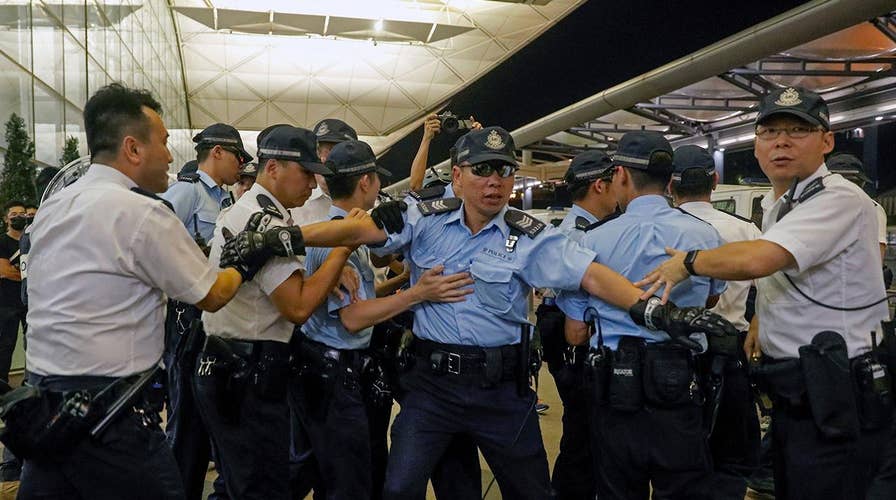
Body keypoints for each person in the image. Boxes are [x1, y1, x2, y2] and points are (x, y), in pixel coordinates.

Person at [372, 126, 736, 499]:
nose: (493, 181)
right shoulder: (423, 219)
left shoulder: (538, 237)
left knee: (538, 489)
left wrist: (655, 312)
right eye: (482, 169)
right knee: (402, 486)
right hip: (433, 388)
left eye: (504, 170)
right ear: (457, 176)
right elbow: (366, 238)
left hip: (506, 391)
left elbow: (591, 285)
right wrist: (327, 232)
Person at [16, 83, 283, 499]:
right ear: (132, 148)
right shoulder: (143, 214)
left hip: (45, 414)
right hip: (112, 422)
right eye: (162, 142)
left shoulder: (55, 206)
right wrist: (246, 260)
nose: (171, 156)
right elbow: (212, 294)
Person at [638, 86, 893, 500]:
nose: (782, 142)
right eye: (769, 132)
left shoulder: (840, 199)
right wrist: (760, 319)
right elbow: (792, 275)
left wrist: (687, 263)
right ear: (757, 145)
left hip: (838, 385)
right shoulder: (782, 203)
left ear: (827, 141)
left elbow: (762, 259)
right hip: (800, 384)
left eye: (798, 130)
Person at [193, 125, 394, 499]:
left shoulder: (268, 214)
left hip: (243, 368)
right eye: (305, 172)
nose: (313, 182)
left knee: (259, 481)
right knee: (260, 487)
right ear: (272, 169)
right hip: (245, 371)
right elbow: (298, 306)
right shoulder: (261, 220)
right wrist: (341, 252)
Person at [293, 139, 473, 499]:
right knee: (348, 482)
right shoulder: (333, 241)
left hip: (338, 373)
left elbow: (368, 287)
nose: (378, 188)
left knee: (349, 472)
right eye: (377, 180)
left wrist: (404, 278)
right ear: (365, 182)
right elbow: (353, 317)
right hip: (333, 374)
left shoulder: (345, 230)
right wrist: (417, 294)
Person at [556, 131, 727, 500]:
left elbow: (575, 333)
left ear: (619, 174)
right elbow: (712, 302)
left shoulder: (590, 242)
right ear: (670, 179)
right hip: (681, 387)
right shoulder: (705, 235)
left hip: (616, 388)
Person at [160, 122, 252, 500]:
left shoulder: (226, 201)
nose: (241, 165)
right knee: (187, 428)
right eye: (237, 157)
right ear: (217, 152)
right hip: (188, 321)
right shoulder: (188, 192)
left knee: (214, 421)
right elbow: (157, 241)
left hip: (215, 321)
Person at [668, 144, 762, 499]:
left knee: (678, 455)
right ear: (716, 181)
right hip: (729, 351)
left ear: (669, 186)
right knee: (730, 453)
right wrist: (756, 327)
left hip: (673, 355)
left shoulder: (663, 230)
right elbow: (767, 289)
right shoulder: (746, 230)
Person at [535, 150, 617, 500]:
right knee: (583, 434)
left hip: (564, 336)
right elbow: (576, 316)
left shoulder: (572, 228)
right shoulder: (581, 234)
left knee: (582, 431)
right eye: (614, 183)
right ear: (599, 186)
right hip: (574, 340)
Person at [293, 119, 358, 225]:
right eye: (317, 152)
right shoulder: (295, 204)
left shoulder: (372, 202)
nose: (323, 159)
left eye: (333, 151)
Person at [0, 201, 27, 383]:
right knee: (5, 345)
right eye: (14, 214)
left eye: (22, 213)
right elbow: (4, 271)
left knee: (33, 344)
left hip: (28, 302)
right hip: (6, 302)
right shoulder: (2, 241)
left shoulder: (32, 239)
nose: (18, 217)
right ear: (6, 219)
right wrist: (27, 275)